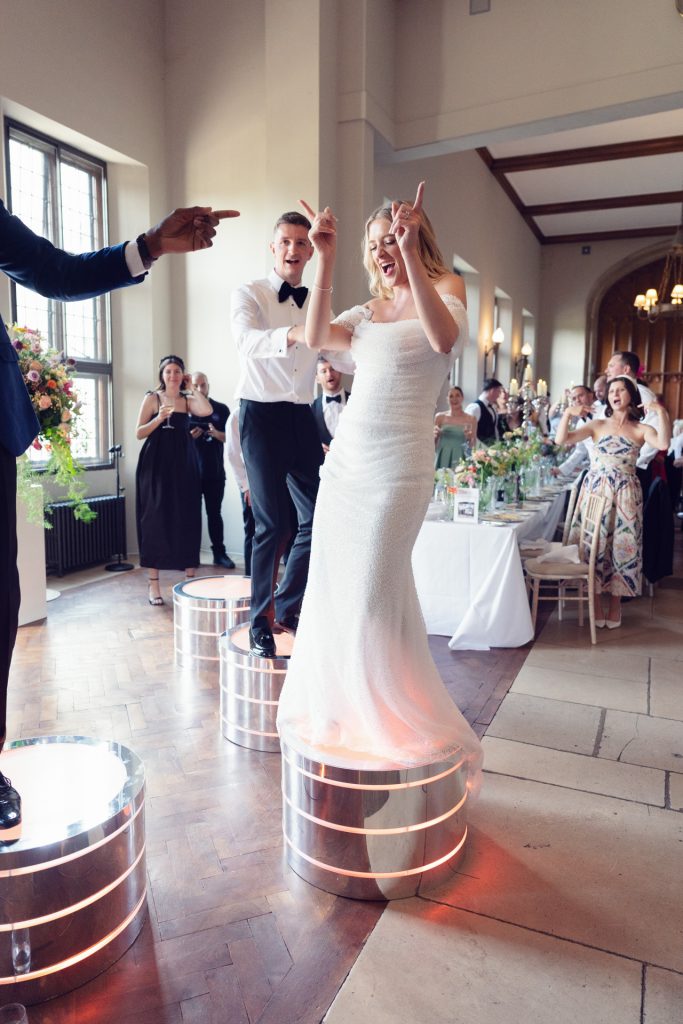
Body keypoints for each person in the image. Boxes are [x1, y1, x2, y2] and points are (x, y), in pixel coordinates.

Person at [0, 200, 238, 828]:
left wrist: (151, 246)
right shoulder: (155, 396)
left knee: (0, 596)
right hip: (156, 463)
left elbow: (56, 271)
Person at [276, 183, 482, 788]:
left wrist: (412, 252)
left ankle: (385, 718)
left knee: (369, 593)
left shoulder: (445, 289)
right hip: (347, 466)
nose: (384, 251)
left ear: (414, 238)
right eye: (376, 245)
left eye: (391, 238)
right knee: (345, 593)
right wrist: (326, 257)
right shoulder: (365, 312)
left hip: (399, 468)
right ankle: (349, 714)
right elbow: (316, 337)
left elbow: (444, 339)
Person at [230, 212, 323, 657]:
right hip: (261, 416)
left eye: (302, 243)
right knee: (272, 524)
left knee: (319, 516)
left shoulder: (317, 298)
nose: (293, 249)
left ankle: (288, 606)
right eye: (286, 241)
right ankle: (259, 620)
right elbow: (246, 341)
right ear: (274, 247)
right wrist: (295, 332)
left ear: (311, 250)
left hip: (302, 414)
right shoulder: (248, 293)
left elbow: (334, 351)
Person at [557, 376, 670, 628]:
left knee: (623, 546)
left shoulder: (641, 429)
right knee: (594, 546)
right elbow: (561, 440)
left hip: (627, 491)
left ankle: (616, 605)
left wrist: (661, 412)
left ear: (631, 396)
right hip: (596, 492)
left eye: (620, 390)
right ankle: (595, 602)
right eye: (611, 391)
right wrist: (568, 414)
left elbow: (663, 443)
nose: (614, 394)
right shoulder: (596, 424)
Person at [135, 357, 213, 603]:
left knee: (187, 515)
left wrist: (191, 388)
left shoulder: (187, 400)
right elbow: (138, 433)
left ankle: (189, 583)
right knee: (154, 519)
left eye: (177, 372)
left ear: (183, 375)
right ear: (162, 374)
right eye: (169, 371)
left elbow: (207, 410)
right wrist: (158, 418)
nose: (173, 375)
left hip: (183, 463)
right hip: (155, 464)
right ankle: (154, 586)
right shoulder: (152, 398)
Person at [189, 371, 235, 569]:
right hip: (190, 474)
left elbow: (233, 439)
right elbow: (175, 444)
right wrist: (190, 437)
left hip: (215, 472)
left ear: (208, 385)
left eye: (203, 385)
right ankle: (190, 555)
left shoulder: (221, 409)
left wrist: (216, 433)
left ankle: (219, 553)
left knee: (214, 513)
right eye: (196, 385)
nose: (200, 389)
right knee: (191, 514)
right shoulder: (184, 409)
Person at [605, 350, 659, 492]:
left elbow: (655, 433)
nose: (606, 370)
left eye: (611, 366)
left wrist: (634, 463)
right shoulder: (613, 395)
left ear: (626, 369)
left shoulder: (642, 394)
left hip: (632, 470)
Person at [225, 405, 256, 576]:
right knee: (252, 532)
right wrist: (246, 487)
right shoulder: (236, 416)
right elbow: (232, 454)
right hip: (250, 484)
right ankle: (250, 580)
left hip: (279, 481)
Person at [552, 384, 595, 480]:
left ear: (591, 396)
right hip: (595, 471)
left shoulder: (604, 413)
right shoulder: (580, 423)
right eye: (574, 399)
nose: (578, 400)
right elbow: (580, 451)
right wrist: (561, 469)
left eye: (581, 396)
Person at [311, 355, 350, 452]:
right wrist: (317, 447)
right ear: (317, 378)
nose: (329, 374)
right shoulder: (312, 408)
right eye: (324, 371)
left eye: (332, 369)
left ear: (340, 371)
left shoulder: (355, 401)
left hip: (352, 461)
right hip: (325, 464)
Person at [433, 385, 476, 468]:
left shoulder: (471, 419)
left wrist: (469, 438)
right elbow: (433, 443)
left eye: (457, 395)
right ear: (447, 399)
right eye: (451, 396)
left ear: (462, 398)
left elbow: (473, 445)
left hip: (461, 456)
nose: (454, 399)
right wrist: (434, 436)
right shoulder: (439, 417)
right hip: (443, 455)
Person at [465, 378, 503, 442]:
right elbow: (467, 431)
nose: (499, 395)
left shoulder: (493, 408)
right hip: (477, 449)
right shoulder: (475, 407)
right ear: (492, 390)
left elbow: (494, 429)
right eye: (498, 391)